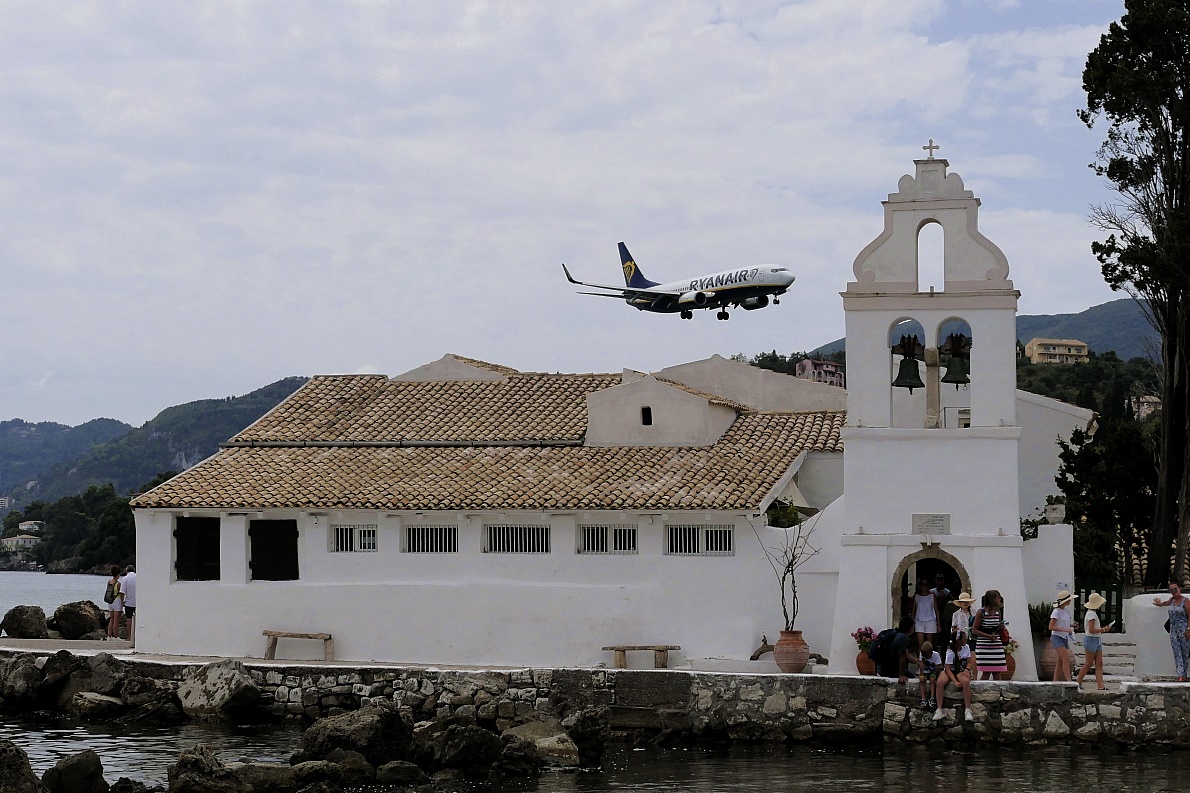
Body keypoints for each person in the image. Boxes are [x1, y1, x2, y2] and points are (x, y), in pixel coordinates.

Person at [933, 629, 974, 722]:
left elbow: (969, 662)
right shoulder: (950, 652)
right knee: (940, 682)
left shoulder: (966, 647)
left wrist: (967, 669)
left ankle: (968, 709)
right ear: (959, 641)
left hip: (961, 669)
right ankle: (939, 709)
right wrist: (955, 681)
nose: (966, 640)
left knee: (966, 681)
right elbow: (947, 668)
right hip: (951, 670)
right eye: (964, 639)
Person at [1153, 581, 1190, 681]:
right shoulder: (1172, 600)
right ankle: (1180, 675)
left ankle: (1184, 674)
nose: (1174, 591)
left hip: (1183, 630)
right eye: (1171, 590)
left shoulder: (1185, 601)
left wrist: (1188, 629)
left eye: (1175, 589)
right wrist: (1159, 603)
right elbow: (1166, 603)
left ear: (1179, 589)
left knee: (1185, 653)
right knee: (1177, 653)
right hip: (1173, 631)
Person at [1076, 592, 1113, 690]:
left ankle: (1101, 686)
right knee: (1089, 663)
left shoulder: (1092, 614)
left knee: (1099, 663)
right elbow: (1091, 630)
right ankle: (1078, 682)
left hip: (1097, 639)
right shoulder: (1091, 615)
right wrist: (1104, 629)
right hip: (1091, 639)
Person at [972, 589, 1007, 680]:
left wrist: (1000, 627)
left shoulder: (998, 612)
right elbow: (974, 630)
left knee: (997, 671)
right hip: (984, 645)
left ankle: (997, 692)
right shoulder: (981, 612)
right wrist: (988, 636)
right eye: (998, 597)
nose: (1000, 599)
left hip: (996, 644)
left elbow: (995, 626)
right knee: (986, 672)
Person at [876, 616, 916, 683]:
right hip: (889, 669)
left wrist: (917, 661)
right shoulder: (903, 638)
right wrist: (901, 675)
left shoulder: (896, 634)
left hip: (881, 668)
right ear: (910, 628)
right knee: (912, 676)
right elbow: (902, 657)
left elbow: (906, 655)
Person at [1049, 590, 1078, 682]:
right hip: (1057, 637)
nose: (1070, 601)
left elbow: (1064, 623)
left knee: (1060, 661)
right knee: (1066, 658)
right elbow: (1051, 626)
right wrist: (1065, 630)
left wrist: (1072, 626)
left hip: (1064, 637)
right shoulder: (1056, 612)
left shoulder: (1066, 611)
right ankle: (1068, 680)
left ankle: (1055, 681)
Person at [950, 591, 978, 677]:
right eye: (963, 601)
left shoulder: (974, 613)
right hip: (961, 639)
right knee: (963, 658)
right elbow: (953, 628)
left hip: (971, 637)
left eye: (967, 601)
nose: (965, 603)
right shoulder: (956, 614)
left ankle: (975, 677)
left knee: (973, 659)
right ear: (960, 603)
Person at [912, 578, 941, 650]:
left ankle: (928, 659)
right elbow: (913, 611)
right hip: (918, 621)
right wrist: (912, 624)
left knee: (929, 644)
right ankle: (920, 659)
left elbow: (936, 610)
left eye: (926, 585)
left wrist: (938, 624)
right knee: (920, 644)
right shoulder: (916, 596)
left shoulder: (932, 596)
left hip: (930, 621)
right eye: (922, 584)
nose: (924, 586)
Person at [917, 641, 941, 710]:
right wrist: (921, 675)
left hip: (932, 671)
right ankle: (923, 699)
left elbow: (938, 667)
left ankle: (932, 698)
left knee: (932, 680)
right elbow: (921, 666)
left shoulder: (936, 655)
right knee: (922, 681)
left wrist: (937, 676)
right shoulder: (922, 654)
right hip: (924, 671)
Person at [104, 564, 123, 640]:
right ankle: (115, 636)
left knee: (111, 620)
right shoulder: (118, 584)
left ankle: (109, 636)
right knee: (116, 620)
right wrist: (123, 602)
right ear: (118, 574)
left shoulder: (109, 582)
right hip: (117, 601)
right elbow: (121, 594)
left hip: (110, 601)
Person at [120, 565, 137, 646]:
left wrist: (122, 601)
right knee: (138, 619)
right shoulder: (138, 577)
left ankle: (129, 636)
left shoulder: (125, 579)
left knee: (129, 619)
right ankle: (137, 636)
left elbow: (122, 592)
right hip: (138, 602)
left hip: (129, 602)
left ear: (126, 570)